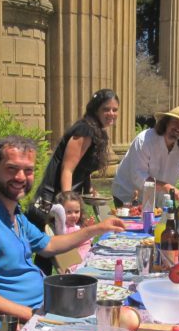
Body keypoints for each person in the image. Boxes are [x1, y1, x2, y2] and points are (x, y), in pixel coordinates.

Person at [0, 136, 125, 322]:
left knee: (123, 310)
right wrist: (33, 316)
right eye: (12, 168)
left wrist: (97, 229)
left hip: (50, 303)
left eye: (28, 170)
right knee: (118, 322)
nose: (20, 177)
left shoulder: (15, 214)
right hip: (28, 318)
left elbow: (48, 244)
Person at [27, 88, 118, 273]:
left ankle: (50, 291)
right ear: (96, 109)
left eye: (115, 109)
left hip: (61, 200)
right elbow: (67, 168)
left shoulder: (97, 131)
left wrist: (89, 189)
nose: (111, 113)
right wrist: (67, 202)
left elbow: (82, 169)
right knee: (48, 254)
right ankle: (41, 294)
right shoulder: (84, 129)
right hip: (51, 201)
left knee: (54, 256)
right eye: (106, 109)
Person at [111, 104, 179, 208]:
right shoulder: (144, 140)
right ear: (166, 122)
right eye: (175, 122)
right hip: (128, 195)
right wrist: (166, 186)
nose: (178, 128)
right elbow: (138, 176)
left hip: (157, 202)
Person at [50, 191, 92, 272]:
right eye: (68, 212)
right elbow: (58, 209)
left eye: (77, 212)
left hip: (88, 261)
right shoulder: (62, 228)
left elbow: (86, 242)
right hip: (76, 265)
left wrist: (88, 230)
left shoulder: (76, 227)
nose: (74, 215)